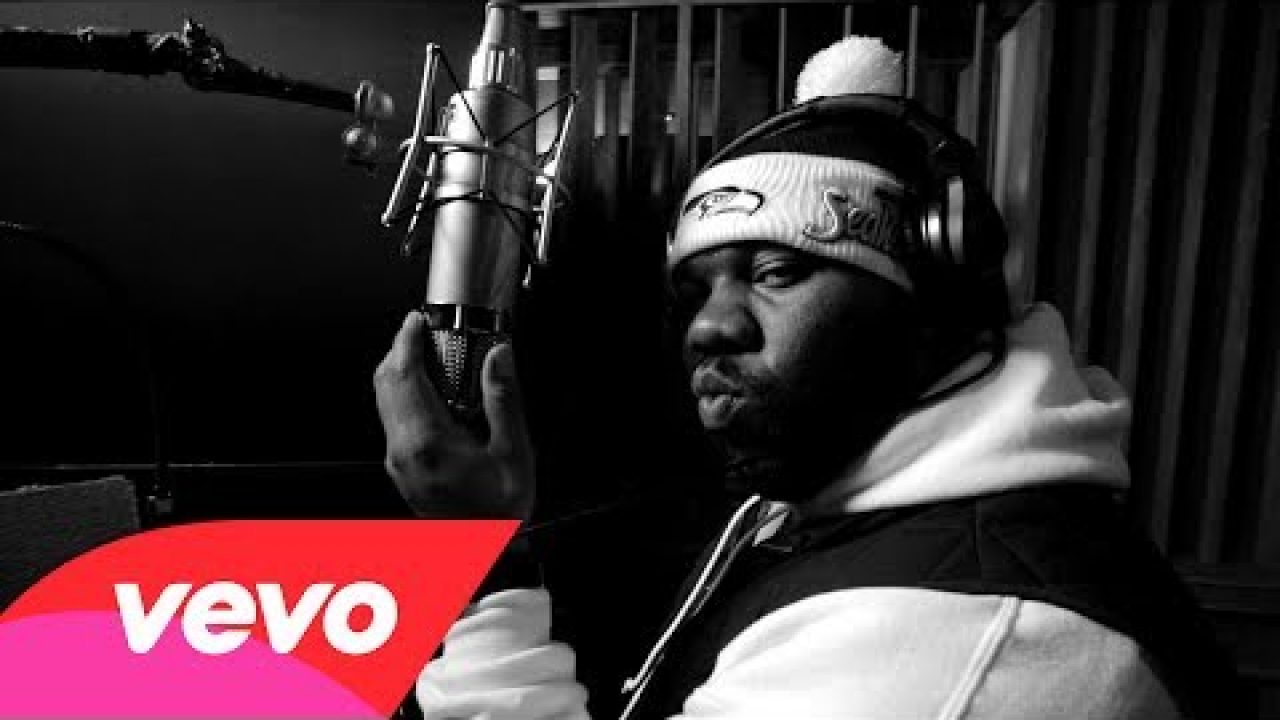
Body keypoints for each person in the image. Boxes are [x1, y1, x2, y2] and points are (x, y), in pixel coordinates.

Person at [374, 37, 1238, 720]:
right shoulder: (852, 502)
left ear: (931, 295)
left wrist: (475, 554)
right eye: (695, 290)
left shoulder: (952, 642)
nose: (710, 326)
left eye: (777, 272)